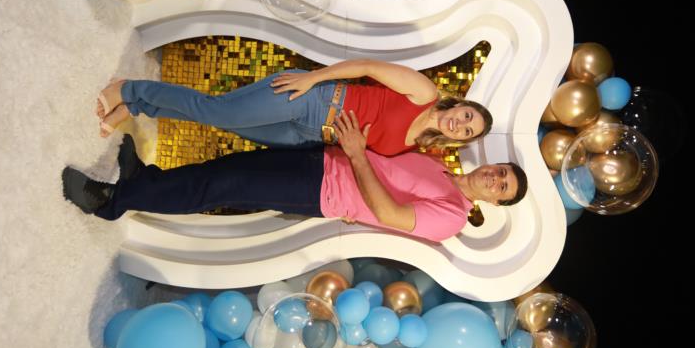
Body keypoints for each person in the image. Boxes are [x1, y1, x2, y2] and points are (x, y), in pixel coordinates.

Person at [65, 112, 527, 242]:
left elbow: (390, 214)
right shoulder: (438, 165)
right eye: (502, 171)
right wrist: (348, 147)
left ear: (496, 204)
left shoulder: (452, 217)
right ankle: (144, 179)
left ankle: (111, 202)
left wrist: (356, 154)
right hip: (320, 160)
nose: (496, 177)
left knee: (221, 187)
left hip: (319, 190)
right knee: (225, 169)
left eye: (502, 187)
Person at [95, 59, 493, 156]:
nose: (460, 124)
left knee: (221, 121)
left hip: (306, 135)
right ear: (462, 105)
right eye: (467, 116)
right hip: (314, 98)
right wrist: (313, 78)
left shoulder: (418, 145)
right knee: (217, 110)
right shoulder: (425, 92)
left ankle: (137, 106)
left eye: (467, 131)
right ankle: (129, 87)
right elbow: (368, 67)